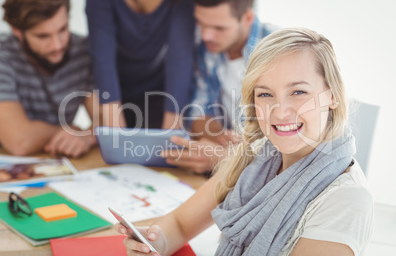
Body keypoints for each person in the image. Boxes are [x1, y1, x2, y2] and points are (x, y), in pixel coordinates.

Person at [117, 28, 374, 255]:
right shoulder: (255, 154)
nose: (279, 111)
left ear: (332, 96)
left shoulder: (347, 200)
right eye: (265, 94)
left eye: (298, 92)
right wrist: (153, 243)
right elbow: (180, 224)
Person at [162, 0, 275, 173]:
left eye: (219, 28)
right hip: (228, 167)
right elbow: (197, 112)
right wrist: (220, 138)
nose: (206, 35)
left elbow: (291, 143)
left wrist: (230, 156)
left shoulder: (281, 51)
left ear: (247, 18)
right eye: (200, 23)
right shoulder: (206, 50)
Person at [0, 0, 99, 157]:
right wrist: (72, 130)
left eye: (63, 29)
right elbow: (19, 141)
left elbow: (105, 121)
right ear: (17, 31)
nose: (57, 45)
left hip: (59, 162)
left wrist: (86, 137)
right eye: (43, 36)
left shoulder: (83, 52)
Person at [85, 0, 195, 129]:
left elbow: (180, 58)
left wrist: (170, 137)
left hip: (162, 94)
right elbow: (103, 63)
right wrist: (117, 138)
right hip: (116, 91)